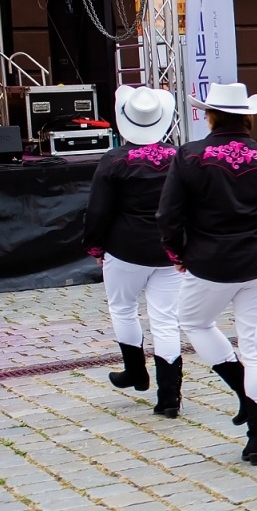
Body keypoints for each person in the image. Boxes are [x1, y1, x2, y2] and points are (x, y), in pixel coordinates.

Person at [157, 83, 257, 459]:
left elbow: (168, 213)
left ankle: (242, 390)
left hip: (209, 261)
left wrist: (176, 252)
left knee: (194, 321)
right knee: (256, 348)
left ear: (210, 116)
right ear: (248, 117)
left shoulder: (189, 155)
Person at [85, 86, 183, 415]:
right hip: (169, 250)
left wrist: (95, 245)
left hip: (125, 248)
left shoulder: (114, 160)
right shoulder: (178, 157)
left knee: (123, 308)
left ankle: (136, 371)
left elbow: (98, 210)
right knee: (166, 320)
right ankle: (169, 397)